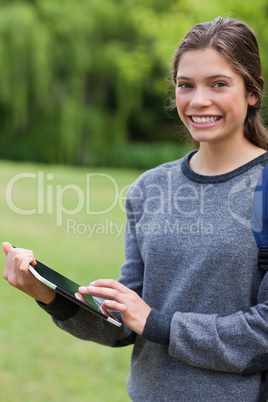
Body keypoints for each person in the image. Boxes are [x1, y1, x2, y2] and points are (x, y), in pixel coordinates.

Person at [3, 16, 268, 401]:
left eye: (219, 84)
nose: (198, 100)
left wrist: (159, 323)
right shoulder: (150, 188)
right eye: (185, 85)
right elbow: (126, 324)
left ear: (252, 93)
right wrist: (48, 294)